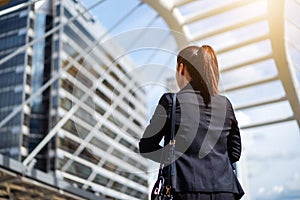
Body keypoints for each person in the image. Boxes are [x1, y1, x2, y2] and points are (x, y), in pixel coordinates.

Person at [139, 45, 244, 200]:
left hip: (184, 190)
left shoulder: (171, 101)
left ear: (181, 68)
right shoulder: (225, 104)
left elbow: (146, 146)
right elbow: (235, 152)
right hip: (225, 191)